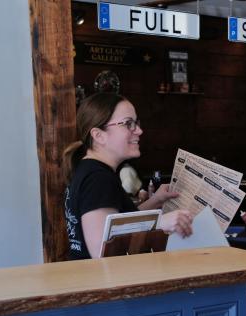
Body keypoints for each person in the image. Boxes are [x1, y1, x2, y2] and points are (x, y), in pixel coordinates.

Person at [62, 93, 195, 260]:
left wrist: (156, 200)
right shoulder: (98, 178)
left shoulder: (90, 170)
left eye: (136, 123)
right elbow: (101, 248)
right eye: (128, 124)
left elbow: (116, 223)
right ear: (98, 135)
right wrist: (159, 223)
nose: (139, 130)